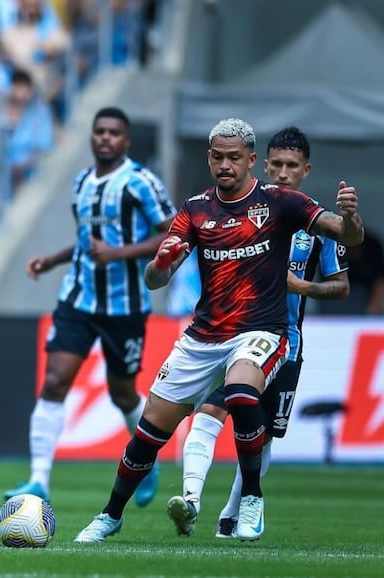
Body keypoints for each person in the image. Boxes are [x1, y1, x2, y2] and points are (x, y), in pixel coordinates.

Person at [73, 118, 364, 543]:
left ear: (250, 161)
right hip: (204, 336)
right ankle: (112, 514)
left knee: (243, 392)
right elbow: (157, 280)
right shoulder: (195, 209)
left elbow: (347, 236)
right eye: (218, 157)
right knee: (150, 432)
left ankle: (251, 498)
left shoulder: (281, 203)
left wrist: (351, 218)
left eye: (234, 158)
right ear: (209, 158)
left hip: (261, 330)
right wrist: (160, 263)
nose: (225, 165)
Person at [168, 126, 350, 539]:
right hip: (234, 337)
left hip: (286, 344)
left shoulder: (315, 221)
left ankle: (233, 514)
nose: (284, 173)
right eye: (278, 165)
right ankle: (191, 501)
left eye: (292, 167)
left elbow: (341, 286)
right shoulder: (245, 209)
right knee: (210, 411)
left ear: (306, 170)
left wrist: (302, 286)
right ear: (263, 164)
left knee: (262, 436)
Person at [3, 106, 178, 506]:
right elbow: (88, 240)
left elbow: (171, 233)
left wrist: (119, 253)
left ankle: (145, 462)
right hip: (78, 298)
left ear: (126, 140)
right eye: (99, 131)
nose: (105, 138)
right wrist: (53, 259)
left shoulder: (141, 182)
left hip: (125, 306)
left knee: (122, 394)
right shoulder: (82, 181)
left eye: (114, 133)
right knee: (54, 382)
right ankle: (38, 481)